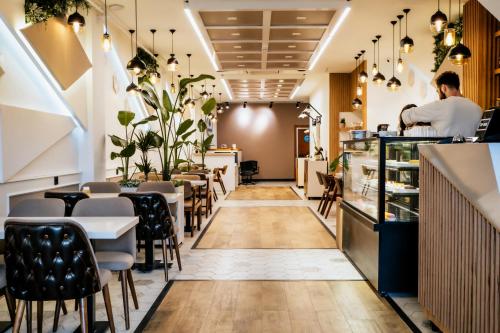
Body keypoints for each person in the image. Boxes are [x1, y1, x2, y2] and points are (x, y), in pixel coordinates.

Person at [401, 71, 482, 137]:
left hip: (447, 155)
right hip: (473, 155)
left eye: (438, 91)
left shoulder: (443, 105)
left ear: (443, 88)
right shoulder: (477, 108)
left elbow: (406, 115)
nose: (438, 94)